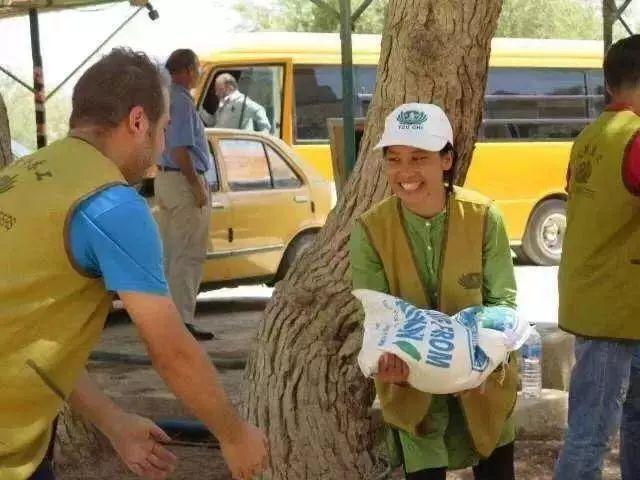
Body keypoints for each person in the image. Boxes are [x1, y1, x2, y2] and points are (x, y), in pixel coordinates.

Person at [0, 48, 267, 480]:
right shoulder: (110, 203)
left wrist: (113, 422)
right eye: (162, 130)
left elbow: (36, 345)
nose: (161, 147)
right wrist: (235, 436)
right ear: (138, 121)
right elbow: (170, 350)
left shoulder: (23, 173)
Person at [349, 103, 519, 480]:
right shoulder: (370, 230)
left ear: (446, 160)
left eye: (418, 158)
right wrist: (386, 360)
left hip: (484, 386)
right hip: (412, 391)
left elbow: (503, 304)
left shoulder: (483, 217)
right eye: (394, 159)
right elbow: (376, 317)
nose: (404, 172)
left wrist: (482, 357)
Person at [554, 35, 640, 480]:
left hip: (602, 302)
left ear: (608, 86)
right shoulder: (636, 139)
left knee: (627, 421)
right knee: (591, 435)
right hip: (614, 310)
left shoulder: (588, 137)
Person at [155, 48, 215, 341]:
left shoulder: (163, 96)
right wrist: (196, 185)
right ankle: (181, 322)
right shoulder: (179, 99)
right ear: (189, 70)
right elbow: (179, 148)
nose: (199, 74)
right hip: (182, 181)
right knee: (188, 253)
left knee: (170, 252)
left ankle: (169, 321)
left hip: (165, 180)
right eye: (198, 68)